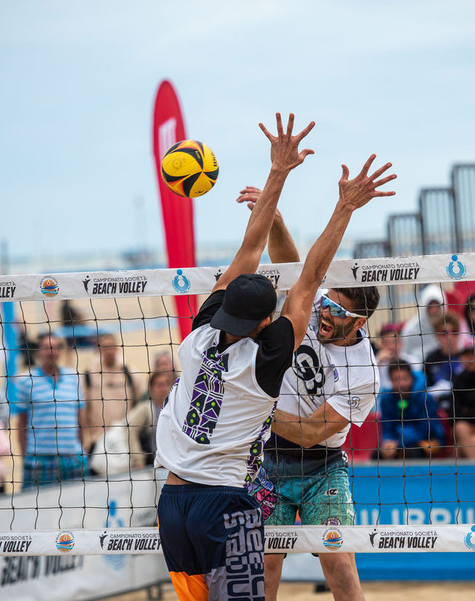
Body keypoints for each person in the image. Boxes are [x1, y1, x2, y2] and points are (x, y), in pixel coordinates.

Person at [154, 113, 394, 601]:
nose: (321, 311)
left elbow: (250, 249)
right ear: (267, 323)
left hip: (175, 500)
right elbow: (307, 277)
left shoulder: (195, 340)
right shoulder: (265, 367)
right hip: (229, 497)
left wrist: (276, 177)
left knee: (337, 567)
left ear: (219, 308)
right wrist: (344, 206)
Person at [236, 183, 386, 601]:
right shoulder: (320, 305)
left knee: (338, 560)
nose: (324, 313)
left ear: (358, 323)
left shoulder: (365, 373)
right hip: (268, 460)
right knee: (262, 564)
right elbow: (291, 264)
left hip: (322, 467)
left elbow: (308, 433)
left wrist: (256, 403)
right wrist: (278, 221)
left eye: (337, 312)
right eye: (326, 305)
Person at [13, 333, 86, 488]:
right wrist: (24, 457)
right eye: (46, 348)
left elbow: (81, 419)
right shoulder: (26, 381)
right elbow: (21, 423)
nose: (50, 352)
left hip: (72, 457)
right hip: (39, 460)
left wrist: (82, 450)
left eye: (54, 348)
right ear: (38, 351)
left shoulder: (73, 377)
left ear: (60, 351)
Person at [90, 369, 175, 475]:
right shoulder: (145, 409)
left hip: (169, 465)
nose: (163, 388)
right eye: (159, 384)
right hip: (150, 466)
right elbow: (131, 431)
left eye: (166, 384)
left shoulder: (173, 410)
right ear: (151, 388)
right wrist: (138, 460)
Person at [82, 333, 140, 454]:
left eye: (112, 347)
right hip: (97, 441)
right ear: (99, 349)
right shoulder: (88, 375)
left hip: (125, 440)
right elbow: (83, 410)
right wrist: (86, 439)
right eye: (105, 347)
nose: (109, 351)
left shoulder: (129, 373)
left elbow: (138, 403)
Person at [377, 360, 444, 460]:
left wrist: (398, 442)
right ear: (390, 381)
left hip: (430, 439)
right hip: (399, 442)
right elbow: (387, 427)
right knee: (378, 455)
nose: (401, 384)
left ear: (411, 377)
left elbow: (426, 431)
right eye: (396, 379)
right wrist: (388, 441)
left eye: (405, 378)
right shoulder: (387, 399)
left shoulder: (425, 398)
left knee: (413, 452)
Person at [400, 283, 447, 367]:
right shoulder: (411, 329)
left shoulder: (450, 327)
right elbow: (404, 355)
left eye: (437, 306)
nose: (434, 311)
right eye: (431, 306)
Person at [422, 311, 465, 392]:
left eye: (454, 332)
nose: (450, 337)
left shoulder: (468, 356)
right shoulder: (430, 359)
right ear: (436, 335)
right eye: (444, 333)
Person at [374, 322, 415, 389]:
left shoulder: (412, 361)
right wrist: (378, 362)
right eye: (386, 342)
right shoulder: (376, 363)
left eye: (394, 342)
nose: (391, 346)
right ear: (380, 344)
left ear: (401, 343)